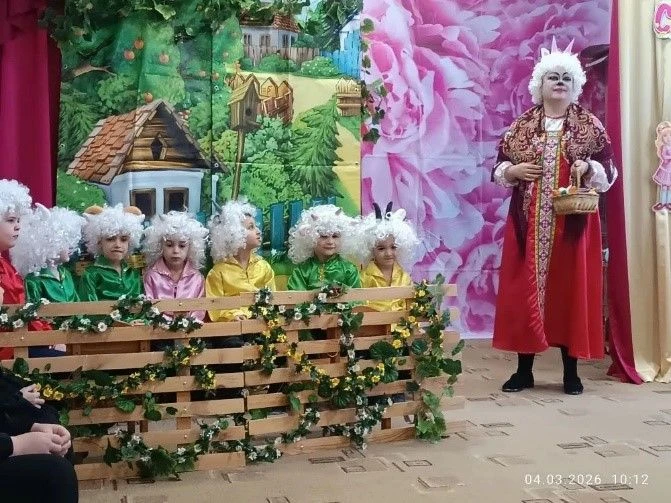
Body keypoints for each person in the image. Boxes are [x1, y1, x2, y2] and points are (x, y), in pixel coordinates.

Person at [491, 38, 618, 395]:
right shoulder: (522, 126)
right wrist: (513, 171)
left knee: (569, 292)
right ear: (540, 84)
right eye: (553, 77)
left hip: (572, 226)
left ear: (575, 85)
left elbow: (609, 172)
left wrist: (588, 167)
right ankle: (524, 371)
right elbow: (499, 167)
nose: (559, 83)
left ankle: (571, 373)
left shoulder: (589, 126)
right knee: (524, 293)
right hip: (527, 225)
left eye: (566, 78)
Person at [11, 203, 86, 357]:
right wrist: (51, 338)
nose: (70, 248)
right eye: (65, 242)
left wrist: (81, 326)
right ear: (49, 245)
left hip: (74, 336)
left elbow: (78, 305)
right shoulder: (34, 280)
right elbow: (32, 316)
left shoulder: (66, 274)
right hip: (51, 343)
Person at [205, 199, 275, 323]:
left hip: (261, 325)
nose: (258, 231)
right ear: (234, 233)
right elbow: (215, 307)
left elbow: (273, 299)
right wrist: (233, 316)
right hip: (232, 329)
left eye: (256, 226)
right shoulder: (218, 272)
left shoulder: (264, 267)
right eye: (251, 227)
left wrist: (262, 315)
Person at [142, 211, 208, 324]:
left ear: (191, 247)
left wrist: (188, 323)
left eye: (182, 245)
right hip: (158, 330)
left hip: (190, 330)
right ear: (160, 246)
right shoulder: (152, 276)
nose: (176, 251)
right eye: (169, 245)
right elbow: (149, 306)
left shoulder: (197, 278)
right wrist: (166, 324)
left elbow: (200, 309)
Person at [357, 202, 420, 311]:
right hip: (374, 321)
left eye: (393, 247)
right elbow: (360, 307)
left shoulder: (404, 277)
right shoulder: (364, 277)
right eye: (381, 248)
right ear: (371, 250)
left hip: (400, 322)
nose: (388, 253)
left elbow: (409, 306)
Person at [78, 204, 144, 304]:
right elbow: (88, 309)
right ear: (99, 242)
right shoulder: (91, 275)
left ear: (130, 242)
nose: (117, 245)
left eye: (123, 239)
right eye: (110, 239)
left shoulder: (132, 273)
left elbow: (140, 306)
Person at [286, 204, 361, 291]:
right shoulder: (302, 270)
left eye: (335, 236)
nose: (330, 242)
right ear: (310, 238)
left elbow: (358, 297)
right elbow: (295, 297)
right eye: (324, 236)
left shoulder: (349, 269)